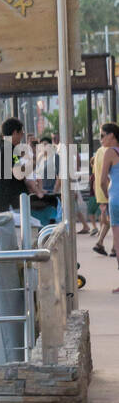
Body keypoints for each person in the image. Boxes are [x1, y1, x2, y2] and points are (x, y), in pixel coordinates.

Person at [0, 117, 44, 221]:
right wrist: (33, 163)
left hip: (5, 204)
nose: (22, 137)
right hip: (9, 205)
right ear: (15, 132)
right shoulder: (7, 150)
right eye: (21, 133)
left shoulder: (4, 149)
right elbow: (19, 173)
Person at [96, 122, 119, 290]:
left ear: (112, 135)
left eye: (102, 135)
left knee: (118, 242)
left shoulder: (109, 152)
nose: (101, 139)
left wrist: (107, 194)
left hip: (116, 199)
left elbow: (102, 180)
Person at [91, 136, 114, 255]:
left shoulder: (99, 151)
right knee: (113, 221)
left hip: (101, 192)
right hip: (110, 191)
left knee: (108, 221)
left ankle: (100, 243)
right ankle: (113, 247)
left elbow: (96, 176)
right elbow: (110, 175)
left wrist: (97, 194)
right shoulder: (111, 152)